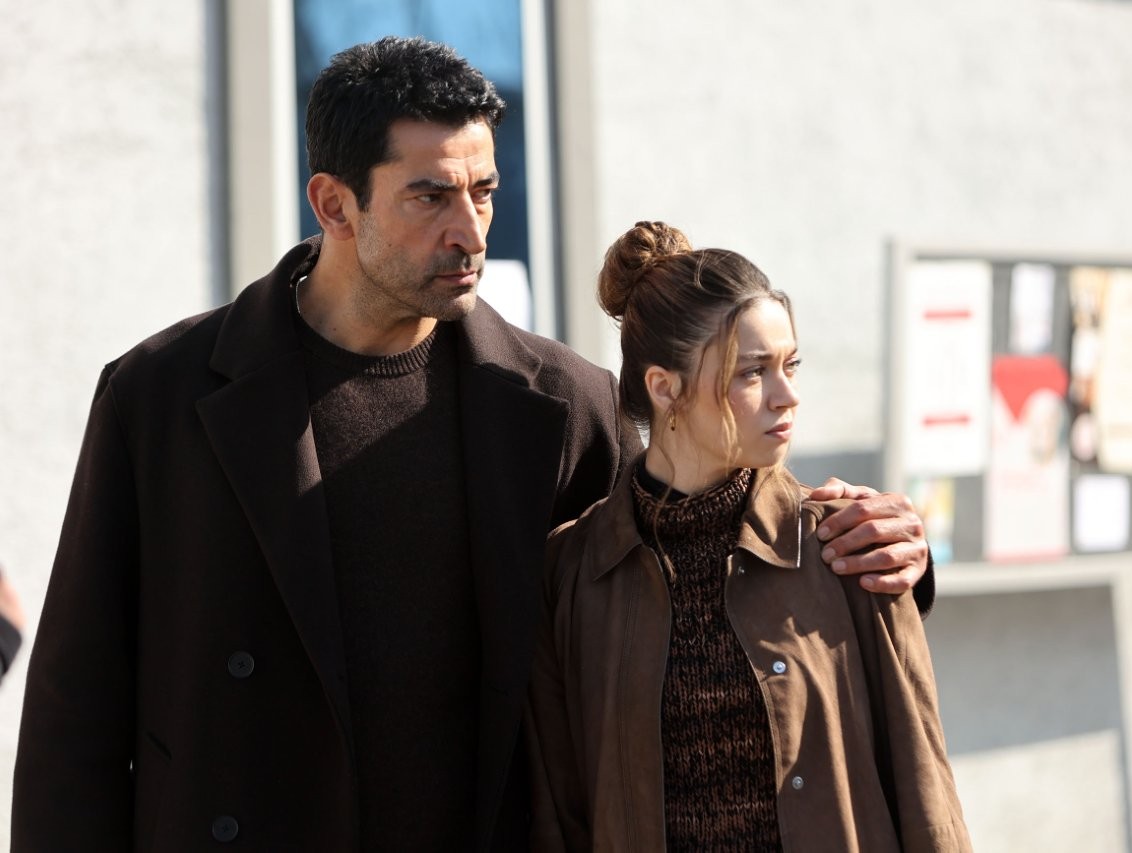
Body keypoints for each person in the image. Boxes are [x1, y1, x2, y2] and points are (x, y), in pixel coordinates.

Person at [14, 38, 931, 851]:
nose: (471, 230)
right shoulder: (163, 395)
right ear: (334, 204)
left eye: (484, 191)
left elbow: (684, 583)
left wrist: (881, 554)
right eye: (430, 196)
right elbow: (74, 712)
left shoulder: (562, 404)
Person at [526, 222, 969, 851]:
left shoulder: (847, 542)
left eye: (791, 365)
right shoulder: (572, 575)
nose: (787, 396)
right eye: (753, 372)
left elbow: (925, 783)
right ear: (666, 388)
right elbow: (561, 812)